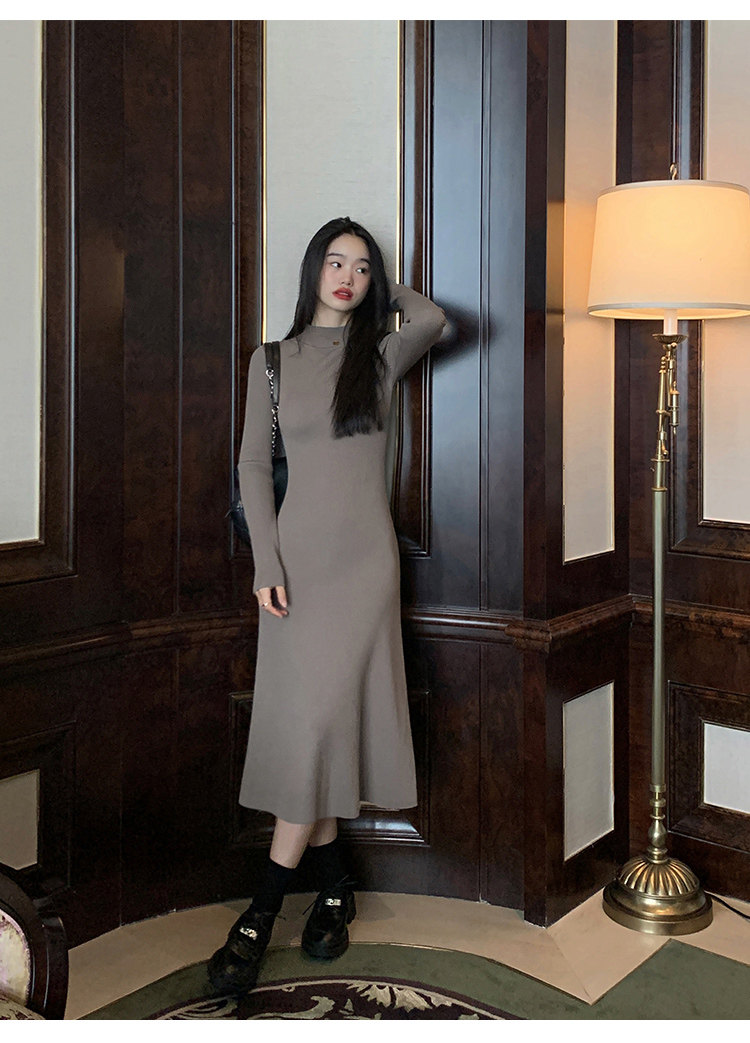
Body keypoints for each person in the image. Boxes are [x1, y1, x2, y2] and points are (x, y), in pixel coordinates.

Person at [208, 216, 446, 994]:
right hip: (294, 572)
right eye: (335, 262)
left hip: (365, 570)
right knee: (316, 729)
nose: (347, 276)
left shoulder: (382, 353)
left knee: (319, 729)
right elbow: (252, 466)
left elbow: (435, 318)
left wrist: (385, 294)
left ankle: (259, 915)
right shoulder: (271, 361)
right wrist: (264, 562)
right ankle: (335, 886)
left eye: (362, 267)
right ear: (312, 268)